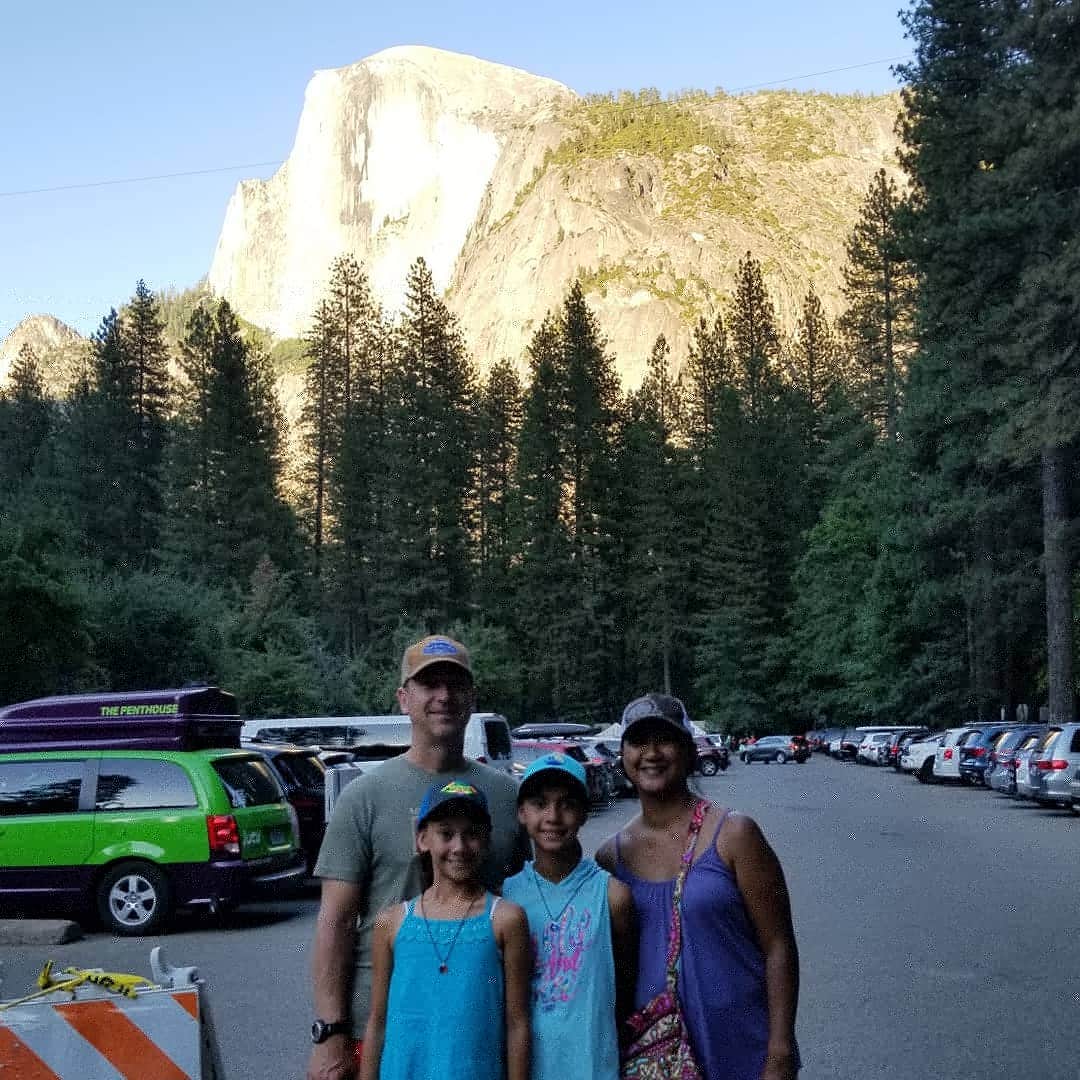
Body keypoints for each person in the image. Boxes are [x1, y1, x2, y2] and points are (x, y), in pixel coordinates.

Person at [307, 634, 530, 1080]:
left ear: (471, 698)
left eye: (455, 684)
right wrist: (330, 1031)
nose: (444, 696)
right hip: (383, 1022)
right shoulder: (364, 797)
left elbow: (530, 898)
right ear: (404, 699)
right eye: (429, 685)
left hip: (477, 1025)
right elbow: (335, 920)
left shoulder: (507, 796)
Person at [596, 693, 801, 1080]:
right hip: (654, 1056)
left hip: (741, 1048)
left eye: (665, 740)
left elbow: (778, 946)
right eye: (639, 742)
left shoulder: (734, 835)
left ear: (689, 750)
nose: (651, 753)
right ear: (622, 755)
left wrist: (780, 1050)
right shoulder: (611, 858)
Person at [359, 779, 532, 1080]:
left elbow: (517, 1023)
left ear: (487, 840)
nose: (459, 847)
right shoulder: (392, 922)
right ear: (422, 839)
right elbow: (378, 1021)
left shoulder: (505, 919)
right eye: (446, 834)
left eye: (472, 834)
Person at [502, 752, 637, 1080]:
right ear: (522, 813)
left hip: (592, 1065)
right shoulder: (506, 896)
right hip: (526, 1065)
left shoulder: (611, 896)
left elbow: (625, 983)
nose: (553, 816)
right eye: (539, 804)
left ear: (584, 813)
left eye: (566, 804)